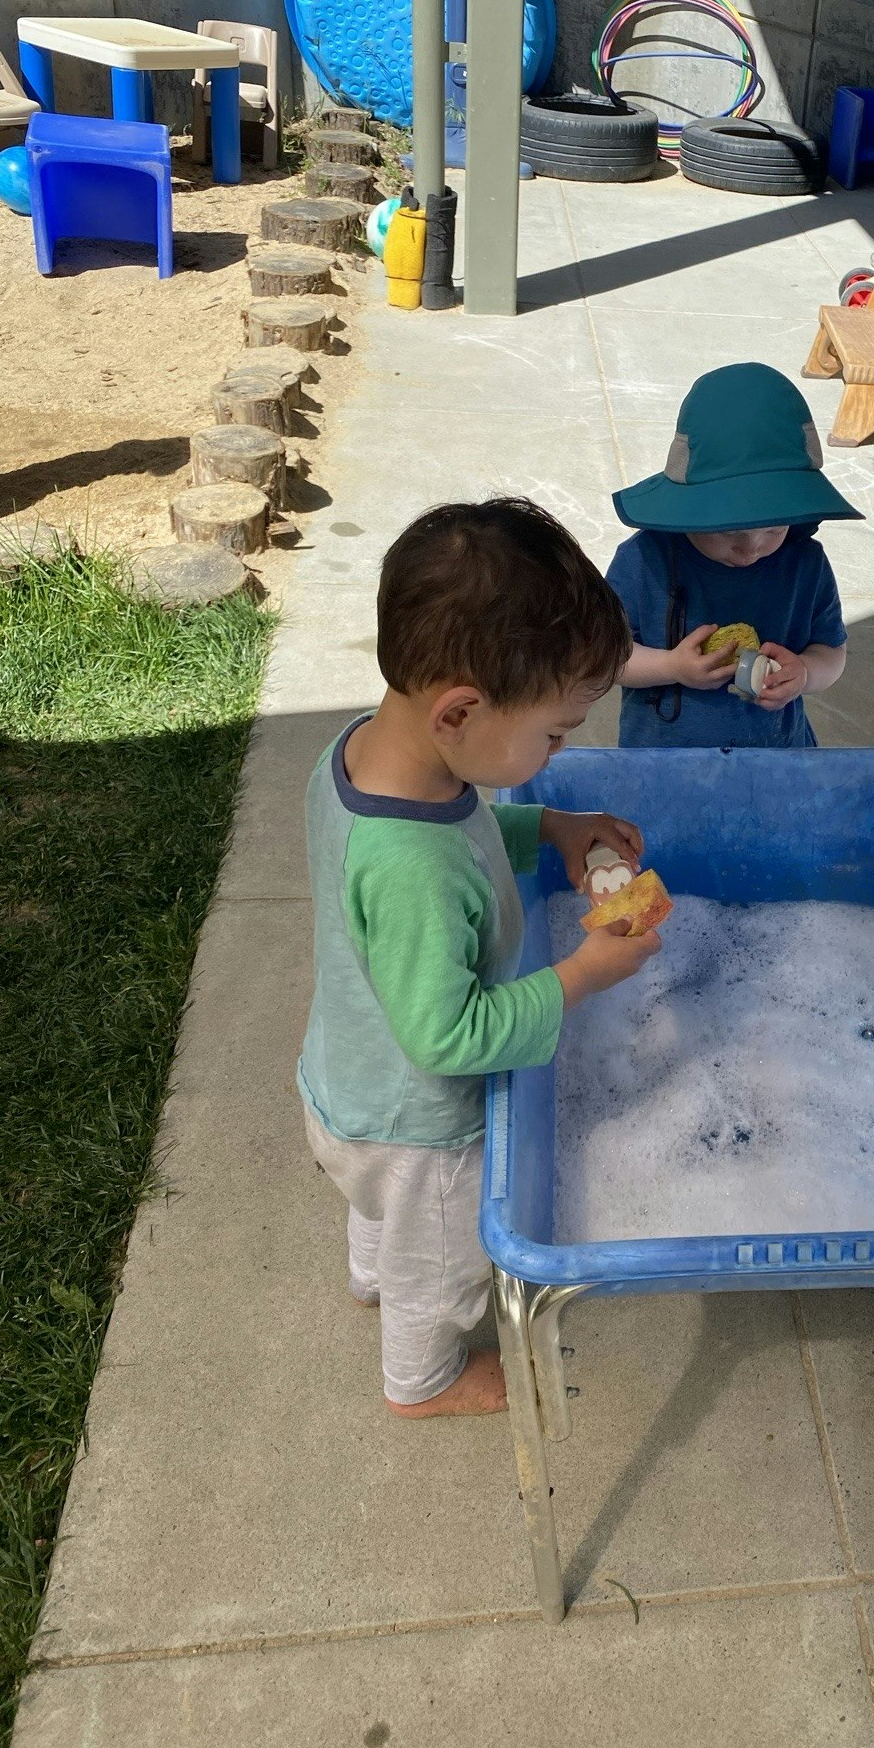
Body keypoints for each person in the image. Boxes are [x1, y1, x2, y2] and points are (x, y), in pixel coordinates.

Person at [297, 498, 660, 1418]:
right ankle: (424, 1379)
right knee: (443, 1262)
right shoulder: (411, 870)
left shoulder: (367, 757)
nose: (560, 747)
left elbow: (458, 830)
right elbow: (449, 1038)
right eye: (552, 734)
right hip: (419, 1128)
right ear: (460, 709)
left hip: (348, 1088)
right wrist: (580, 976)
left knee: (385, 1221)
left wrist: (550, 823)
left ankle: (372, 1275)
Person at [606, 362, 862, 748]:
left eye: (775, 529)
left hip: (775, 756)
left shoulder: (804, 564)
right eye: (729, 531)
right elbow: (605, 659)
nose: (751, 549)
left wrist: (806, 673)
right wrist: (671, 666)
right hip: (662, 764)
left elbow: (831, 650)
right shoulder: (644, 562)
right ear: (687, 509)